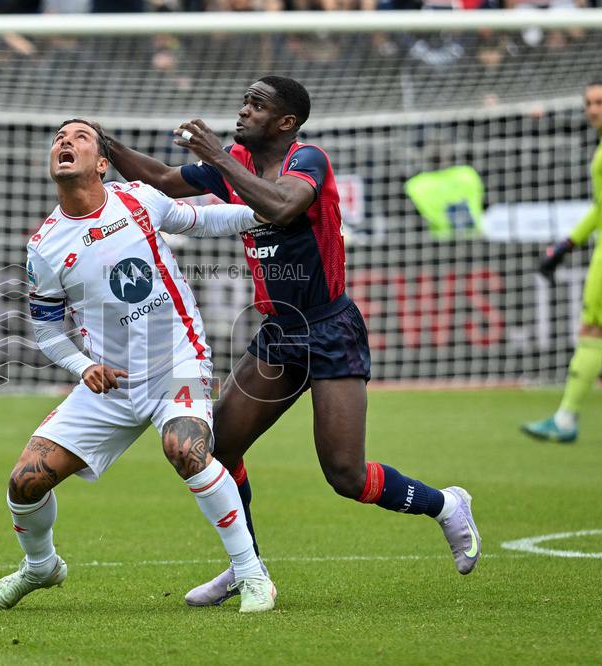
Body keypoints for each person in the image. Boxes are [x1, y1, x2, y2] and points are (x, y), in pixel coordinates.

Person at [107, 76, 481, 607]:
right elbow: (165, 179)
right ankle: (247, 565)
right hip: (278, 333)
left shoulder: (308, 160)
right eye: (244, 101)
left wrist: (218, 156)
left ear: (285, 122)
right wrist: (106, 143)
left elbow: (283, 207)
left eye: (257, 106)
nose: (244, 111)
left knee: (346, 475)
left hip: (329, 329)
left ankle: (445, 505)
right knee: (218, 448)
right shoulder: (234, 159)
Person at [0, 119, 278, 613]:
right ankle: (40, 567)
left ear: (102, 162)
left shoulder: (138, 199)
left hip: (178, 359)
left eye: (78, 137)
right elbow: (49, 329)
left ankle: (250, 573)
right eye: (58, 139)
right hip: (110, 381)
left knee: (185, 449)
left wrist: (266, 210)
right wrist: (80, 366)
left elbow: (204, 221)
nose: (64, 143)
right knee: (25, 481)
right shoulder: (45, 246)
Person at [522, 80, 602, 443]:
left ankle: (566, 418)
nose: (593, 109)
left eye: (601, 101)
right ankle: (566, 417)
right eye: (588, 103)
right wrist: (566, 245)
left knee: (591, 329)